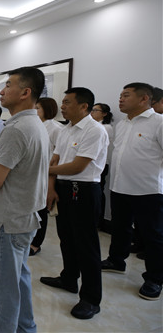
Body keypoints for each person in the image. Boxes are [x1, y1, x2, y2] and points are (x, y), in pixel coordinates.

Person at [0, 66, 49, 333]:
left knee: (2, 289)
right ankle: (26, 328)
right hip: (25, 216)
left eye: (8, 85)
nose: (1, 91)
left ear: (25, 92)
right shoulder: (35, 124)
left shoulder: (17, 128)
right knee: (18, 279)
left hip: (8, 220)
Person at [40, 87, 108, 320]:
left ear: (83, 106)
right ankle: (68, 278)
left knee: (86, 245)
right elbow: (55, 159)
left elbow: (78, 166)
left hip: (84, 190)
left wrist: (44, 171)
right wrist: (51, 188)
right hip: (62, 188)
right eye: (63, 101)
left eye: (67, 102)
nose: (63, 106)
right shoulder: (66, 129)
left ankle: (91, 298)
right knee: (66, 238)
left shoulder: (95, 130)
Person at [101, 82, 163, 301]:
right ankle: (116, 261)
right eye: (121, 95)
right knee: (120, 228)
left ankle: (155, 278)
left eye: (126, 95)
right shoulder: (123, 124)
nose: (121, 99)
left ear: (144, 98)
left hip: (148, 190)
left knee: (152, 236)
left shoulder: (159, 122)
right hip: (120, 186)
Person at [30, 97, 63, 256]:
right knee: (32, 208)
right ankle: (30, 237)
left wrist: (51, 182)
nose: (35, 111)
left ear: (47, 110)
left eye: (38, 108)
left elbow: (58, 156)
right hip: (33, 172)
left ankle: (36, 243)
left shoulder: (55, 128)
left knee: (41, 210)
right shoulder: (35, 125)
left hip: (47, 174)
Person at [91, 103, 114, 231]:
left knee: (98, 192)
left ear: (104, 114)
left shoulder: (106, 127)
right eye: (92, 109)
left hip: (101, 164)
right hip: (93, 164)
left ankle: (98, 220)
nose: (92, 112)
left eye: (95, 110)